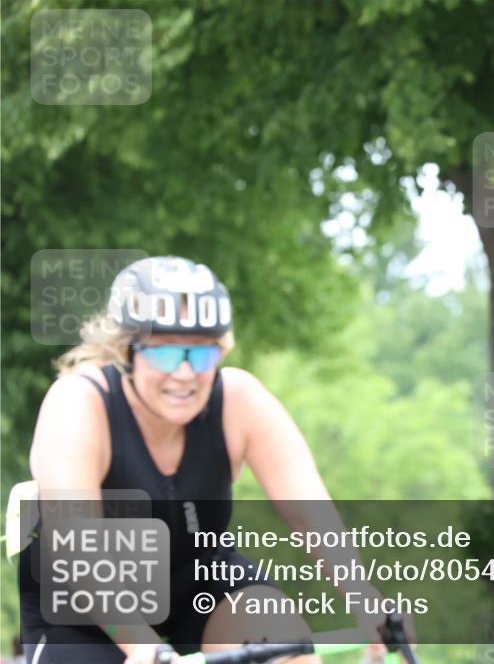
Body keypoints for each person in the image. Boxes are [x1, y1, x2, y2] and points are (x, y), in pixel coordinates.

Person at [18, 256, 390, 664]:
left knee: (282, 642)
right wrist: (143, 644)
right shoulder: (79, 403)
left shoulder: (239, 399)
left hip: (199, 583)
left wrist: (365, 599)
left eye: (201, 354)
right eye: (163, 353)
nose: (184, 374)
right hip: (85, 609)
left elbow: (311, 515)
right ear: (126, 351)